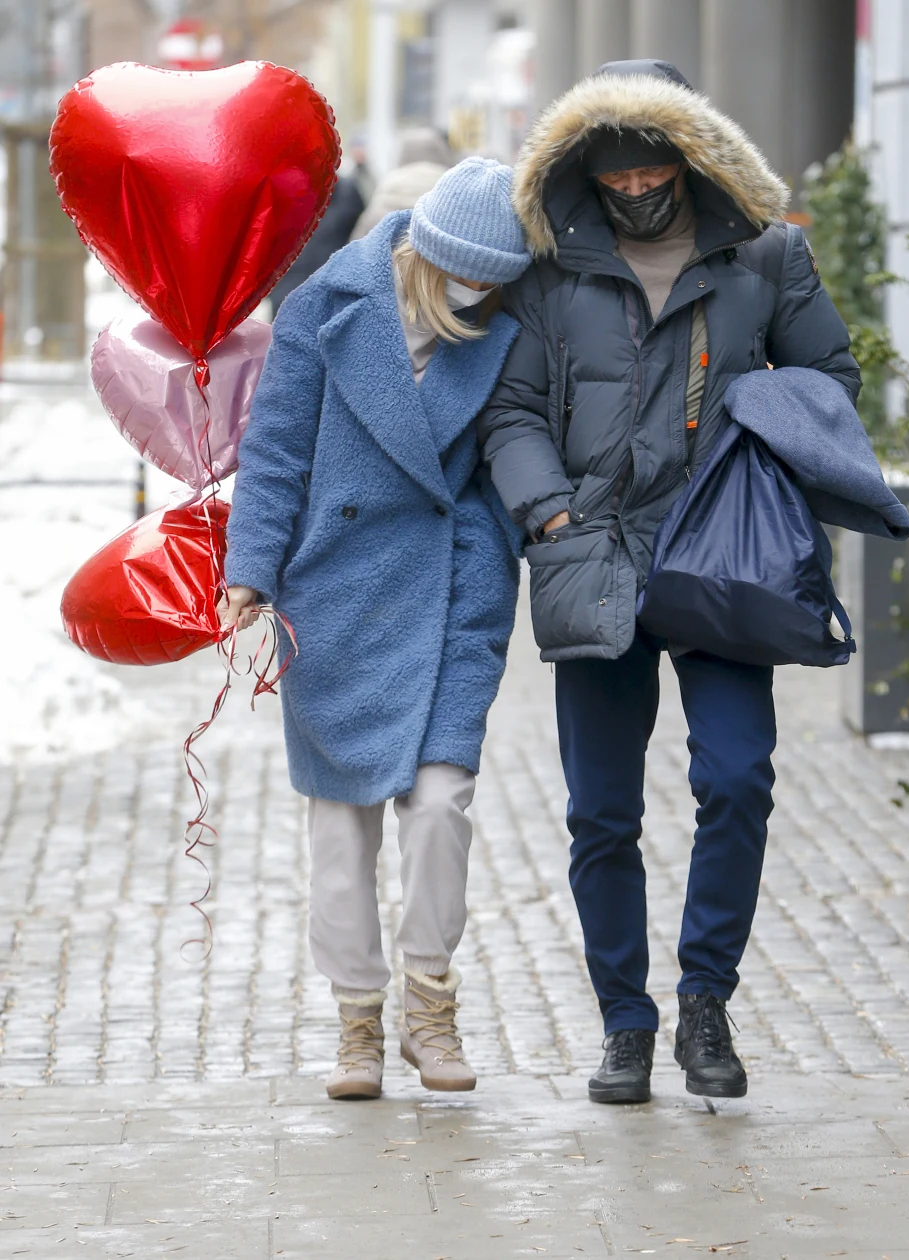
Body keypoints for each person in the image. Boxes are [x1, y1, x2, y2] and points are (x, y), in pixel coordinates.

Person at [479, 60, 860, 1104]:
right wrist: (548, 511)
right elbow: (509, 413)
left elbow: (832, 382)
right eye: (615, 178)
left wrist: (762, 448)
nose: (637, 192)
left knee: (735, 780)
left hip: (723, 557)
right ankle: (624, 1024)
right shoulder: (547, 272)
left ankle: (705, 1003)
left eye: (655, 171)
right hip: (593, 559)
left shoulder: (765, 258)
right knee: (601, 812)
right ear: (583, 173)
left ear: (690, 156)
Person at [220, 157, 531, 1100]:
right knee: (340, 828)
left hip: (450, 599)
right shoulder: (328, 304)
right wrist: (250, 570)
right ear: (429, 254)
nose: (478, 293)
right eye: (467, 275)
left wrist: (493, 561)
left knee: (442, 807)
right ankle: (358, 1022)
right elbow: (274, 449)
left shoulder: (503, 324)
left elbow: (497, 465)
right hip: (337, 600)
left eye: (496, 281)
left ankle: (430, 1003)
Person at [269, 173, 365, 312]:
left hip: (330, 296)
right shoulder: (278, 191)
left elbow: (359, 243)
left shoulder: (346, 191)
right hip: (289, 297)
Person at [350, 127, 454, 241]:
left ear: (400, 156)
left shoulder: (386, 191)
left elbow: (355, 248)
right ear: (443, 154)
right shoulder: (453, 193)